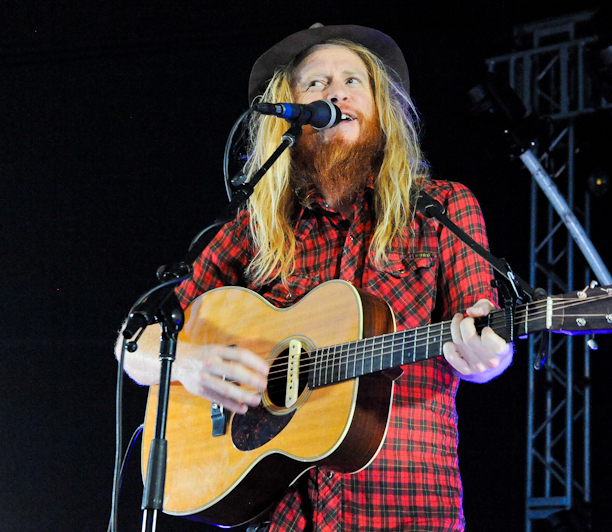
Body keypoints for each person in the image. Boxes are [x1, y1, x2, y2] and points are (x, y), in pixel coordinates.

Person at [117, 24, 513, 531]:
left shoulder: (440, 208)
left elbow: (481, 335)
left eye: (354, 81)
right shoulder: (253, 229)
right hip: (282, 516)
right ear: (289, 112)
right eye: (315, 84)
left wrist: (489, 354)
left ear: (380, 109)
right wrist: (190, 364)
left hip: (406, 506)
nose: (335, 92)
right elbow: (137, 346)